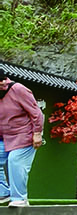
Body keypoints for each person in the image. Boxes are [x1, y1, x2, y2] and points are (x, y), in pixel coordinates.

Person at [0, 68, 44, 207]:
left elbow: (37, 113)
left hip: (24, 136)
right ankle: (3, 193)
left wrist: (37, 133)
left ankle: (20, 199)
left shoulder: (18, 90)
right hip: (4, 137)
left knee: (15, 162)